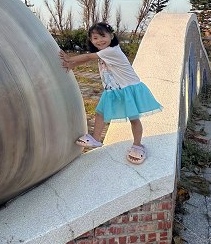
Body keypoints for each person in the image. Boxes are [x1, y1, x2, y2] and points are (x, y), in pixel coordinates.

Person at [59, 22, 162, 164]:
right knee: (99, 113)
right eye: (95, 38)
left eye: (103, 36)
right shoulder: (103, 53)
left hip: (128, 89)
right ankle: (95, 139)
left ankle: (138, 145)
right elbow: (89, 58)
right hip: (113, 90)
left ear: (111, 36)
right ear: (91, 40)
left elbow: (88, 57)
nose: (100, 40)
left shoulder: (112, 51)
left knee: (134, 119)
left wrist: (69, 59)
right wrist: (71, 65)